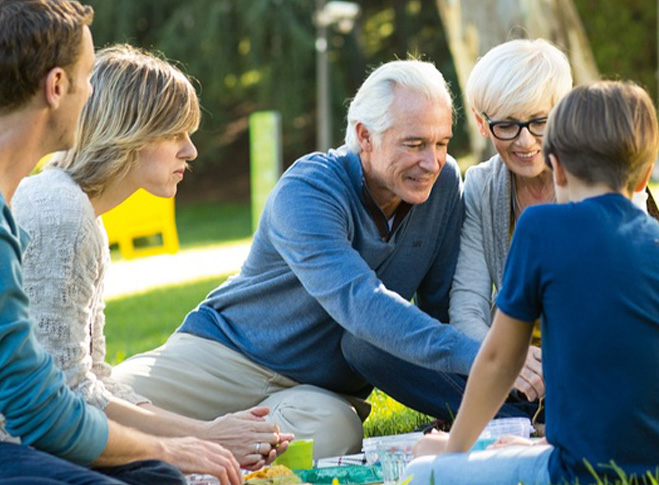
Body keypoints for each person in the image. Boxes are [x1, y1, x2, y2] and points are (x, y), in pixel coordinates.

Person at [113, 60, 534, 459]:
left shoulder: (441, 186)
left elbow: (439, 306)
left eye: (442, 143)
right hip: (226, 357)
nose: (432, 161)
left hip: (315, 393)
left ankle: (203, 451)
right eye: (415, 144)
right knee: (106, 401)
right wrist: (491, 356)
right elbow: (361, 303)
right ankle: (197, 443)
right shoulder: (309, 189)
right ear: (365, 136)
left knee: (337, 434)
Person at [407, 80, 659, 485]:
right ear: (645, 176)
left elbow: (498, 360)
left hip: (588, 469)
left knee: (422, 465)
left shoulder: (541, 228)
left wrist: (451, 453)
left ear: (556, 166)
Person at [0, 0, 240, 485]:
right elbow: (44, 407)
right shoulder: (59, 211)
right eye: (88, 80)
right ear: (56, 88)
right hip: (17, 441)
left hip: (25, 432)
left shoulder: (46, 204)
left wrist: (193, 439)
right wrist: (174, 444)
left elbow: (62, 379)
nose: (94, 96)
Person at [10, 45, 290, 470]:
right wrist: (203, 437)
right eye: (176, 133)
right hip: (18, 450)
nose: (191, 151)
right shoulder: (62, 214)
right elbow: (67, 393)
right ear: (130, 132)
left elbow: (94, 377)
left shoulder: (79, 211)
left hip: (40, 438)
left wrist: (207, 433)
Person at [449, 38, 574, 402]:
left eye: (539, 122)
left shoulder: (596, 175)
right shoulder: (481, 187)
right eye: (506, 126)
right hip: (513, 371)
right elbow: (467, 308)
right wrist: (510, 361)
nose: (525, 142)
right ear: (481, 123)